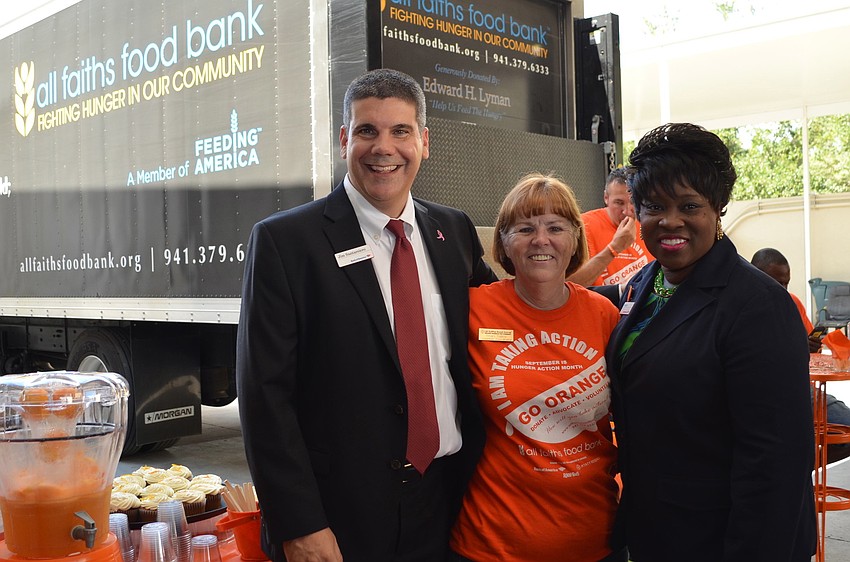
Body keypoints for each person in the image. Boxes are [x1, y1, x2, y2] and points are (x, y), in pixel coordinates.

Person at [236, 68, 497, 562]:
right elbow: (264, 396)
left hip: (447, 501)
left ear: (424, 142)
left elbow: (509, 312)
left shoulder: (454, 231)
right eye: (367, 131)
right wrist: (300, 523)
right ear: (344, 140)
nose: (384, 148)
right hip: (339, 517)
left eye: (400, 131)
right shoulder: (285, 242)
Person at [606, 123, 816, 561]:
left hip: (722, 539)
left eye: (689, 206)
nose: (670, 221)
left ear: (718, 209)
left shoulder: (758, 305)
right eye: (654, 206)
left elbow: (775, 463)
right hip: (656, 530)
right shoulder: (645, 284)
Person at [449, 174, 626, 562]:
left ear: (575, 239)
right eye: (525, 228)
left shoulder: (604, 315)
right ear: (504, 243)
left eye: (555, 228)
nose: (541, 240)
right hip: (490, 545)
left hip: (593, 540)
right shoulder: (472, 310)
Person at [751, 247, 850, 464]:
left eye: (786, 283)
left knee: (845, 429)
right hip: (765, 395)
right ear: (754, 276)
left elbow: (809, 350)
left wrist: (810, 346)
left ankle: (800, 467)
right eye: (776, 283)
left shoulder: (792, 302)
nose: (782, 289)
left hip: (801, 388)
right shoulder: (742, 309)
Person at [568, 168, 652, 287]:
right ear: (606, 198)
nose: (627, 211)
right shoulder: (583, 226)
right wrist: (614, 248)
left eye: (633, 202)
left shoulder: (646, 223)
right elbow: (568, 285)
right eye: (619, 203)